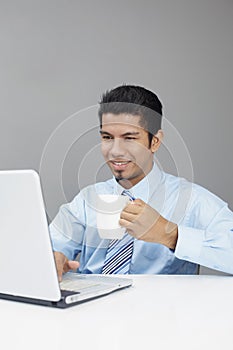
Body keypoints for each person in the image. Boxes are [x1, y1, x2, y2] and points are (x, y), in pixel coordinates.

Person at [50, 85, 233, 281]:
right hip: (88, 307)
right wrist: (53, 258)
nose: (115, 151)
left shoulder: (192, 200)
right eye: (107, 137)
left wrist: (169, 234)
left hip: (163, 308)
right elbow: (50, 246)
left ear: (155, 141)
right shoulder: (87, 200)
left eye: (129, 138)